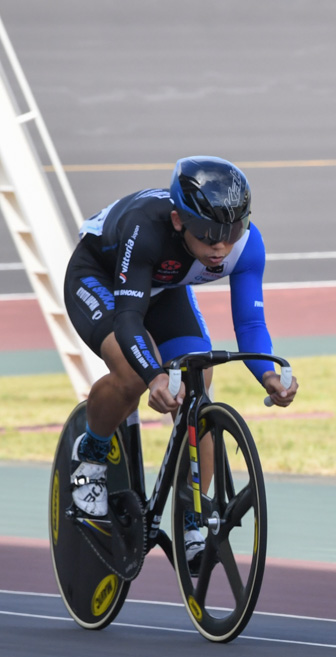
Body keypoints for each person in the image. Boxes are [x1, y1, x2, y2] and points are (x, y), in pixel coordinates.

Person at [64, 156, 298, 573]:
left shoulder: (246, 245)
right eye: (208, 234)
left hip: (163, 288)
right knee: (132, 371)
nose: (220, 246)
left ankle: (194, 520)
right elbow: (129, 318)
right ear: (178, 220)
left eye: (231, 232)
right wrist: (153, 374)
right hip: (100, 278)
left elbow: (249, 321)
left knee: (196, 389)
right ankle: (91, 455)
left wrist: (268, 375)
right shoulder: (146, 227)